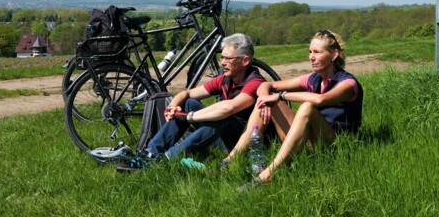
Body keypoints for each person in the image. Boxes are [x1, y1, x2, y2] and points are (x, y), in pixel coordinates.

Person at [224, 30, 363, 190]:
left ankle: (267, 176)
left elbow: (320, 99)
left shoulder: (348, 83)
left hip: (334, 145)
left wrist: (281, 96)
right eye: (310, 52)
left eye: (317, 52)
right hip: (310, 140)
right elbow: (266, 85)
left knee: (307, 107)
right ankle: (230, 161)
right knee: (268, 99)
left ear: (334, 54)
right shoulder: (313, 78)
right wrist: (265, 97)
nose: (311, 57)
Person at [119, 33, 265, 171]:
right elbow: (187, 93)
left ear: (245, 60)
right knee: (188, 102)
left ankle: (169, 157)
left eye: (228, 59)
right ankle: (150, 153)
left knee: (221, 115)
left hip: (241, 142)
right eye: (221, 58)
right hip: (221, 135)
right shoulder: (225, 79)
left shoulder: (255, 82)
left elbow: (230, 108)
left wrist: (190, 117)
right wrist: (173, 106)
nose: (222, 63)